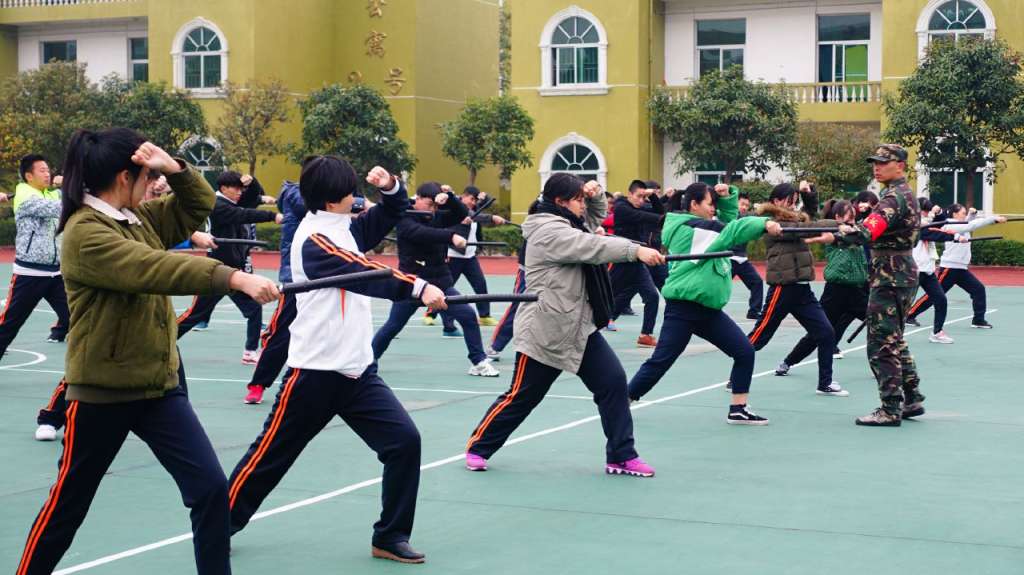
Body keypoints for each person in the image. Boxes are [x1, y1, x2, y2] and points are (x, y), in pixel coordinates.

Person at [15, 128, 279, 575]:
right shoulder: (85, 232)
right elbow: (151, 267)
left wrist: (175, 168)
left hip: (159, 388)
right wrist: (232, 277)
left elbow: (198, 206)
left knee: (210, 489)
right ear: (125, 177)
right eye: (148, 177)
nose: (154, 185)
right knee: (68, 506)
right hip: (103, 391)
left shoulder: (138, 217)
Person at [226, 157, 446, 564]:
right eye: (351, 190)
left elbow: (393, 212)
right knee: (270, 458)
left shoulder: (345, 227)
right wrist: (418, 288)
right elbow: (363, 271)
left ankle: (390, 536)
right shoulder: (314, 238)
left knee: (403, 442)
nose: (356, 196)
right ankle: (218, 523)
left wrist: (390, 186)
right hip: (314, 373)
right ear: (332, 199)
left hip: (358, 371)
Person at [464, 174, 665, 476]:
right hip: (545, 331)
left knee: (612, 383)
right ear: (560, 202)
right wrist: (635, 251)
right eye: (578, 199)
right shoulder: (547, 231)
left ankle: (621, 456)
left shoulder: (568, 221)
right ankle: (479, 447)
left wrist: (595, 197)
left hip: (578, 327)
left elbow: (592, 220)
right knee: (523, 396)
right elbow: (590, 244)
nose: (583, 205)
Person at [627, 182, 781, 424]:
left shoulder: (701, 227)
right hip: (684, 309)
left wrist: (727, 199)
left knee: (744, 352)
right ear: (693, 205)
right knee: (660, 361)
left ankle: (738, 409)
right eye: (710, 204)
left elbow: (725, 225)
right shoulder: (691, 229)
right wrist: (764, 223)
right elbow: (730, 231)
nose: (713, 209)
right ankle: (623, 400)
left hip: (708, 311)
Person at [371, 182, 499, 377]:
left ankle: (478, 361)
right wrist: (451, 237)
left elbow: (461, 213)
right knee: (393, 326)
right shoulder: (404, 217)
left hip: (440, 283)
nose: (433, 210)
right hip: (411, 284)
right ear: (418, 199)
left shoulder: (435, 215)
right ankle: (367, 361)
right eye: (429, 204)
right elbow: (421, 234)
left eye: (436, 206)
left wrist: (450, 198)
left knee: (467, 315)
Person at [839, 144, 924, 426]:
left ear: (900, 165)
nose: (877, 167)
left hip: (890, 275)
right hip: (900, 272)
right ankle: (911, 397)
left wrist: (842, 234)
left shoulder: (893, 198)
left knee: (880, 343)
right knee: (894, 338)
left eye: (883, 162)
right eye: (875, 162)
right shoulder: (903, 194)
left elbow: (867, 231)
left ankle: (890, 408)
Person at [749, 181, 849, 397]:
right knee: (759, 337)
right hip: (782, 289)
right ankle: (736, 376)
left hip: (802, 290)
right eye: (789, 200)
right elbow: (800, 230)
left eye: (795, 201)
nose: (792, 204)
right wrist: (837, 224)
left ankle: (825, 383)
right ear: (776, 201)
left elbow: (809, 216)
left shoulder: (796, 219)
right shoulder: (771, 223)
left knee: (826, 333)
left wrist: (808, 194)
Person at [175, 171, 283, 364]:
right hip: (216, 272)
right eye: (236, 189)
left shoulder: (232, 201)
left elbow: (252, 198)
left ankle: (250, 352)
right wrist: (272, 215)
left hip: (235, 274)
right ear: (224, 188)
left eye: (241, 189)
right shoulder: (218, 206)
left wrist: (252, 182)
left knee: (254, 309)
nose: (240, 193)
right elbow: (243, 214)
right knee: (195, 315)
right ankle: (163, 340)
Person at [777, 200, 868, 375]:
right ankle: (788, 362)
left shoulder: (858, 232)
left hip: (857, 291)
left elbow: (864, 232)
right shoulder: (833, 232)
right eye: (849, 217)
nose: (852, 221)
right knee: (818, 332)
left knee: (880, 324)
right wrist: (835, 233)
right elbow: (835, 237)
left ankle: (884, 365)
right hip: (835, 292)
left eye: (854, 217)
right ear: (837, 217)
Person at [242, 180, 307, 404]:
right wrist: (358, 204)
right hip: (297, 279)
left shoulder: (329, 203)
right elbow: (309, 206)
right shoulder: (296, 195)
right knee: (281, 336)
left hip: (328, 277)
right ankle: (258, 384)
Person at [0, 154, 70, 363]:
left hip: (55, 273)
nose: (47, 174)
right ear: (29, 176)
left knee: (75, 316)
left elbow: (75, 196)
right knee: (9, 325)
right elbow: (59, 208)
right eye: (42, 170)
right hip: (29, 273)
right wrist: (67, 187)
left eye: (48, 170)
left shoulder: (51, 194)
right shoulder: (24, 194)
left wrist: (67, 185)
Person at [905, 203, 1006, 330]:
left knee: (978, 289)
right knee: (934, 295)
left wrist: (972, 215)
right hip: (949, 268)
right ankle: (910, 315)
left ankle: (978, 320)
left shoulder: (960, 224)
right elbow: (970, 225)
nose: (965, 215)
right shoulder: (950, 225)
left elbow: (968, 225)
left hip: (961, 269)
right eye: (963, 213)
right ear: (955, 214)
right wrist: (993, 219)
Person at [425, 185, 507, 329]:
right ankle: (431, 313)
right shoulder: (454, 208)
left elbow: (483, 205)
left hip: (469, 257)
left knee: (480, 284)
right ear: (463, 196)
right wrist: (492, 218)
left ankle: (484, 316)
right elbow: (472, 215)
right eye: (471, 199)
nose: (473, 203)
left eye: (475, 200)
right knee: (446, 287)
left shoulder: (473, 209)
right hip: (454, 255)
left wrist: (484, 196)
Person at [607, 179, 665, 346]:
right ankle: (598, 322)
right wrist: (662, 219)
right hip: (621, 259)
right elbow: (645, 216)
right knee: (607, 294)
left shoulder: (639, 205)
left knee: (652, 296)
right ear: (630, 194)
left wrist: (652, 196)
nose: (641, 200)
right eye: (638, 196)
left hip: (637, 260)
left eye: (643, 197)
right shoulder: (621, 207)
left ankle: (645, 335)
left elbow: (659, 211)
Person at [906, 198, 955, 343]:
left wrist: (938, 213)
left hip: (927, 270)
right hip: (913, 270)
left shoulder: (926, 221)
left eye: (928, 211)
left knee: (941, 299)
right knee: (902, 304)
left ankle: (937, 332)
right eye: (925, 211)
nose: (927, 213)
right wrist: (955, 237)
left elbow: (939, 224)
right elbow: (930, 232)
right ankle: (892, 334)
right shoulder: (913, 224)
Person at [730, 191, 765, 320]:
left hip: (742, 260)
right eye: (742, 204)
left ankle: (754, 312)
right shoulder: (731, 216)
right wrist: (758, 212)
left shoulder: (747, 218)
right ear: (735, 203)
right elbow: (743, 219)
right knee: (718, 286)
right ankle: (708, 311)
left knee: (757, 282)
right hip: (728, 259)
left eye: (746, 205)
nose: (744, 207)